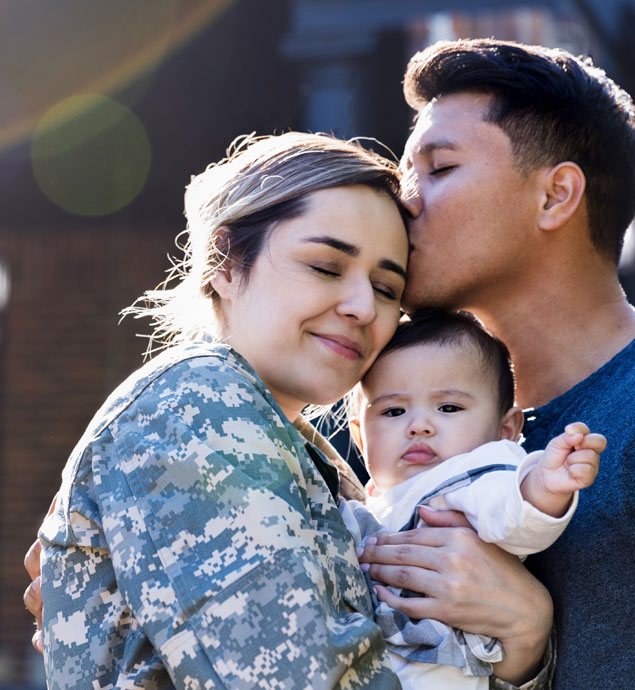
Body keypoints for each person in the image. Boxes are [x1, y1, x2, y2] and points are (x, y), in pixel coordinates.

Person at [28, 131, 552, 689]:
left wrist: (523, 636)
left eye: (385, 287)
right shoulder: (196, 404)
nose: (361, 308)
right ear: (224, 264)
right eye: (327, 267)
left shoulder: (301, 447)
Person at [354, 39, 635, 689]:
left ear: (556, 196)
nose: (407, 201)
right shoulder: (394, 423)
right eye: (404, 177)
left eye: (440, 168)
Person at [340, 309, 604, 689]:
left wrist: (544, 485)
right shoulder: (377, 500)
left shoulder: (471, 473)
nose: (419, 425)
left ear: (506, 430)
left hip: (441, 669)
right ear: (362, 438)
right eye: (394, 411)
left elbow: (511, 514)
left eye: (448, 407)